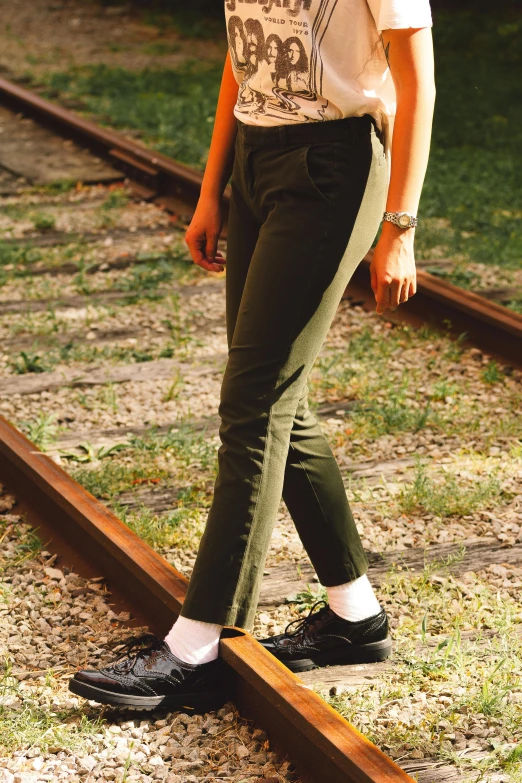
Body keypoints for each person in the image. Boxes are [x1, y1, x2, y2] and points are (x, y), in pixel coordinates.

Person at [69, 0, 435, 712]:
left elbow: (417, 77)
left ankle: (197, 641)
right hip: (257, 159)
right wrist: (211, 189)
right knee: (276, 399)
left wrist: (401, 223)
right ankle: (355, 616)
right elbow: (243, 60)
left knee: (254, 400)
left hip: (335, 164)